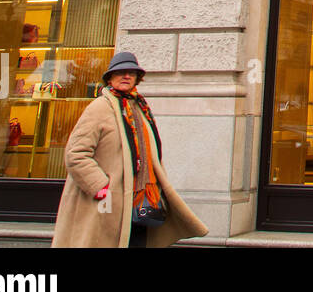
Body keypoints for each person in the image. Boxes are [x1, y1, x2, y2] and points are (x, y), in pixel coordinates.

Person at [51, 51, 208, 248]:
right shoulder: (99, 108)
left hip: (140, 201)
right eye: (121, 72)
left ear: (137, 79)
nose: (126, 76)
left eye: (131, 73)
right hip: (107, 204)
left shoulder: (140, 107)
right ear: (110, 77)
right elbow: (75, 154)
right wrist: (101, 186)